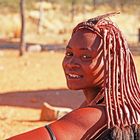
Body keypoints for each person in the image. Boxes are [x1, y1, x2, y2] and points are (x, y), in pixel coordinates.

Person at [8, 12, 140, 140]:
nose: (71, 64)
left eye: (86, 57)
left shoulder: (97, 115)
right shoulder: (123, 105)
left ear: (112, 62)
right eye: (69, 54)